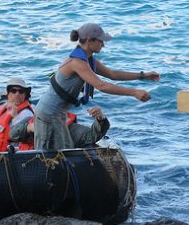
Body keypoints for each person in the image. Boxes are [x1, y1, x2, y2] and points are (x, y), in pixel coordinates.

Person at [34, 23, 159, 151]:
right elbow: (102, 86)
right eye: (101, 41)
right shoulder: (77, 62)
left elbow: (112, 74)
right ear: (89, 41)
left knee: (64, 152)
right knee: (51, 157)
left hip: (58, 113)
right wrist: (134, 92)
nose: (103, 44)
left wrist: (143, 76)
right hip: (48, 114)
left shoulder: (88, 60)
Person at [10, 106, 110, 150]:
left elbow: (91, 136)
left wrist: (100, 118)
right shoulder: (29, 121)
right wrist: (28, 128)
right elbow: (12, 135)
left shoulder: (69, 129)